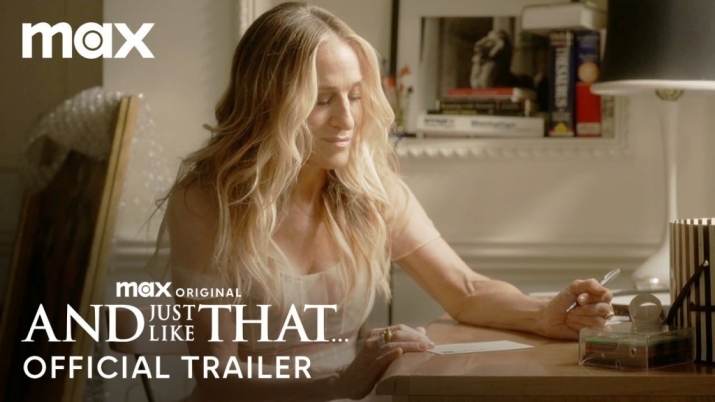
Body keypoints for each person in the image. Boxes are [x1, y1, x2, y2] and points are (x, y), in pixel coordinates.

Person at [155, 2, 614, 401]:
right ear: (268, 104)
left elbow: (467, 291)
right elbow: (217, 380)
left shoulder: (371, 190)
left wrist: (544, 315)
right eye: (322, 100)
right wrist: (340, 383)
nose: (347, 119)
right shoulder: (206, 203)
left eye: (355, 96)